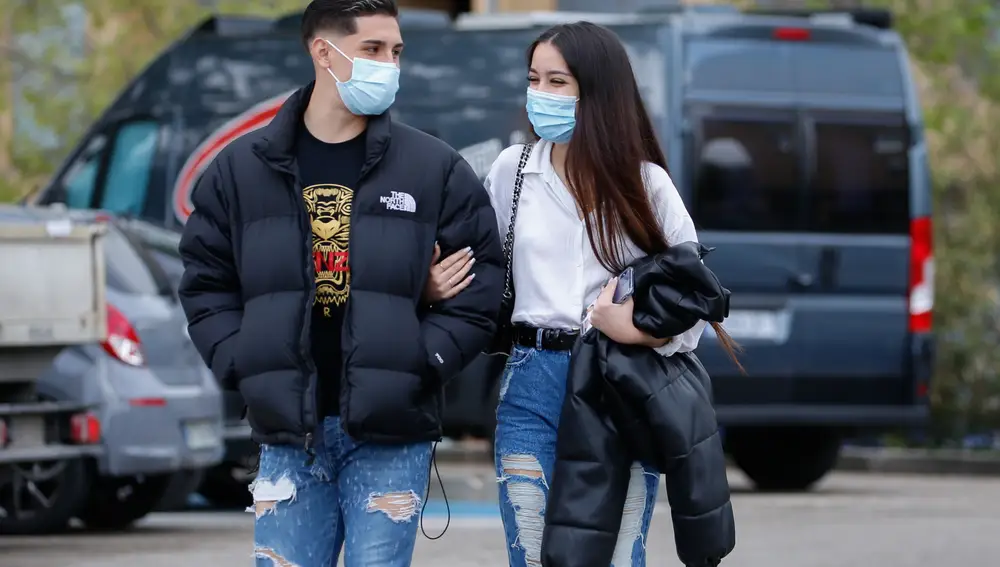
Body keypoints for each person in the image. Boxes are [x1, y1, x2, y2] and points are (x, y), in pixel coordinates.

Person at [176, 1, 503, 565]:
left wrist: (424, 359)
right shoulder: (241, 171)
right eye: (373, 49)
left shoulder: (433, 168)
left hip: (391, 431)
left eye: (396, 52)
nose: (389, 65)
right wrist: (241, 362)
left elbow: (481, 282)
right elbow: (206, 284)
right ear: (322, 52)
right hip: (288, 434)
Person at [476, 21, 742, 567]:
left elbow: (696, 305)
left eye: (558, 82)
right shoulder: (513, 172)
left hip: (615, 383)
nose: (540, 95)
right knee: (529, 553)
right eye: (534, 80)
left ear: (597, 93)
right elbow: (484, 271)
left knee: (618, 558)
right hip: (530, 380)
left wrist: (636, 328)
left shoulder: (646, 186)